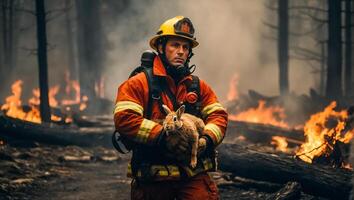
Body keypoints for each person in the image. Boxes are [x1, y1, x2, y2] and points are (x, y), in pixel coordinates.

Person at [113, 16, 228, 200]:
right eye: (175, 45)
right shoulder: (138, 84)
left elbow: (219, 116)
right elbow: (124, 118)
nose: (181, 52)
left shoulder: (198, 86)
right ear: (161, 47)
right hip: (153, 177)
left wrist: (205, 140)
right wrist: (162, 136)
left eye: (185, 47)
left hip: (192, 175)